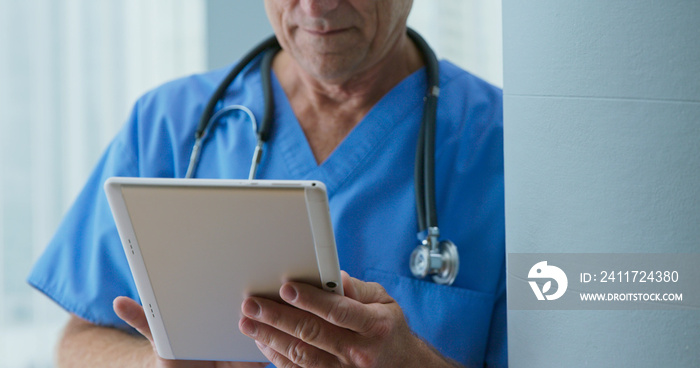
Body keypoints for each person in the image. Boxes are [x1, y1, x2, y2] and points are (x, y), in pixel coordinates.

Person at [28, 1, 506, 367]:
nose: (316, 7)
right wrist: (150, 363)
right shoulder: (169, 125)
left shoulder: (509, 148)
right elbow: (80, 339)